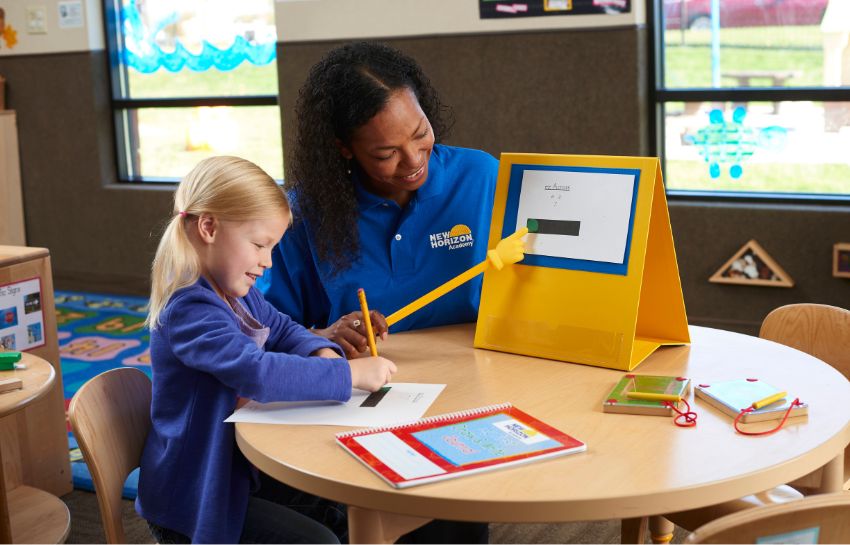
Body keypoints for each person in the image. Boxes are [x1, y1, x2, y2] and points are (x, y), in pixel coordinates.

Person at [135, 156, 397, 544]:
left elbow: (283, 328)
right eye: (259, 245)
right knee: (320, 540)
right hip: (196, 495)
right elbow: (255, 372)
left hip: (237, 469)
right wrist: (349, 374)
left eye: (272, 247)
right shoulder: (189, 309)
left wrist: (318, 352)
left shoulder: (235, 295)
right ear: (208, 227)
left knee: (344, 503)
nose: (267, 261)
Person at [258, 41, 499, 360]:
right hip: (368, 387)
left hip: (483, 369)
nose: (413, 160)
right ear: (344, 148)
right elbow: (260, 331)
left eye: (420, 133)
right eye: (387, 153)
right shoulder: (300, 217)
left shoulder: (483, 178)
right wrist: (324, 336)